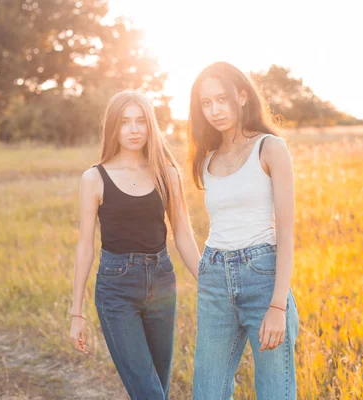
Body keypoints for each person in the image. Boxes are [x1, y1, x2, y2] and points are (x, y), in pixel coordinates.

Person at [69, 90, 200, 399]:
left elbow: (183, 234)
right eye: (125, 122)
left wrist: (208, 282)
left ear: (151, 125)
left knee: (157, 388)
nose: (134, 129)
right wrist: (77, 313)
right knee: (150, 393)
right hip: (116, 290)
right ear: (113, 127)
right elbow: (85, 247)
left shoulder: (167, 173)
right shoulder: (94, 178)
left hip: (162, 283)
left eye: (141, 121)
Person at [188, 62, 300, 399]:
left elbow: (286, 230)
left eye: (221, 99)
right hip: (214, 280)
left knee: (273, 392)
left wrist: (278, 305)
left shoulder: (270, 148)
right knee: (207, 392)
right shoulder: (206, 160)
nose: (214, 110)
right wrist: (210, 276)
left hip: (263, 277)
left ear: (241, 96)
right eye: (206, 103)